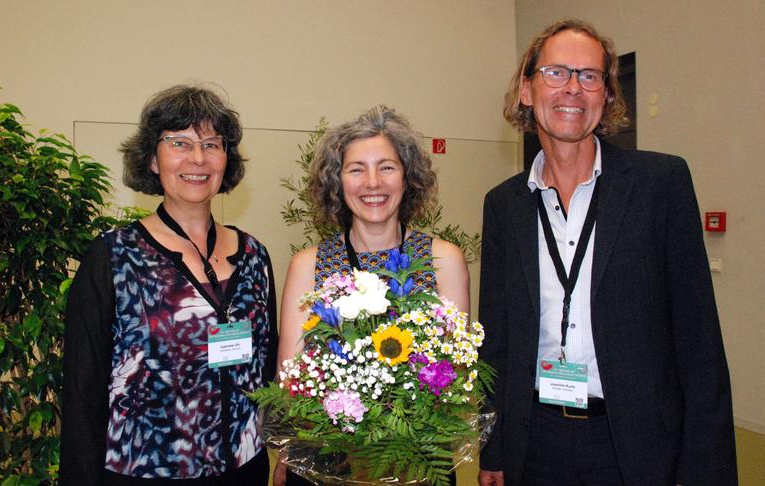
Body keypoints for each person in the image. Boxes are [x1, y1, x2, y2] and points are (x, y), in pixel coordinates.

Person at [478, 19, 736, 486]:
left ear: (608, 95)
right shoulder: (503, 204)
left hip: (638, 444)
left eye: (590, 76)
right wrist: (493, 448)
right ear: (526, 90)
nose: (573, 88)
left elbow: (699, 341)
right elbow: (496, 337)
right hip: (535, 442)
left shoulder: (661, 184)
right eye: (556, 72)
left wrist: (707, 466)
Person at [61, 85, 277, 484]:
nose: (198, 157)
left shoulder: (254, 256)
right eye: (179, 142)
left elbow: (266, 372)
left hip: (244, 468)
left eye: (212, 144)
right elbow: (81, 392)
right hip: (145, 471)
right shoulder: (112, 258)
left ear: (226, 160)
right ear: (152, 159)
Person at [273, 106, 470, 486]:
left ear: (408, 177)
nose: (372, 183)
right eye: (356, 169)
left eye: (386, 167)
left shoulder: (443, 259)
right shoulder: (307, 265)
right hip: (327, 461)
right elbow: (290, 381)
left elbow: (456, 374)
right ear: (337, 181)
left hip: (416, 461)